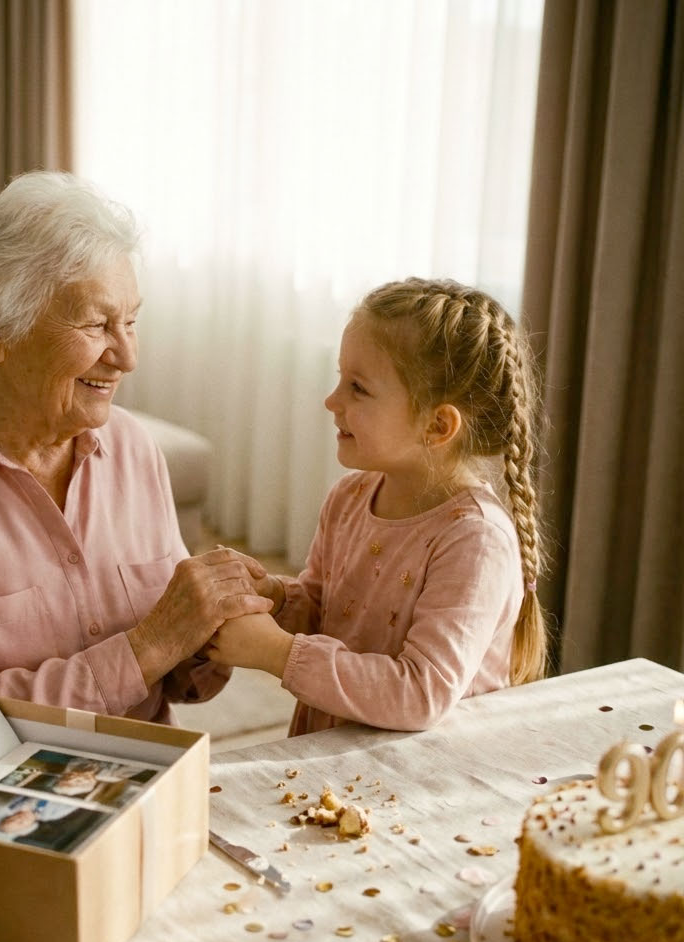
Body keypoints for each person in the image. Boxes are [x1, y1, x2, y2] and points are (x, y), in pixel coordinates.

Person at [0, 171, 271, 723]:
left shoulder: (134, 449)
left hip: (155, 768)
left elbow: (181, 678)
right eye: (97, 325)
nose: (127, 356)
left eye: (131, 321)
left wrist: (212, 626)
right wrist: (153, 644)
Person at [205, 277, 547, 735]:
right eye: (340, 378)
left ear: (438, 425)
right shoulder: (349, 498)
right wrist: (275, 598)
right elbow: (324, 609)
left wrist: (277, 654)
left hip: (417, 771)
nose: (332, 400)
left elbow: (419, 695)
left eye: (358, 388)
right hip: (334, 755)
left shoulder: (476, 540)